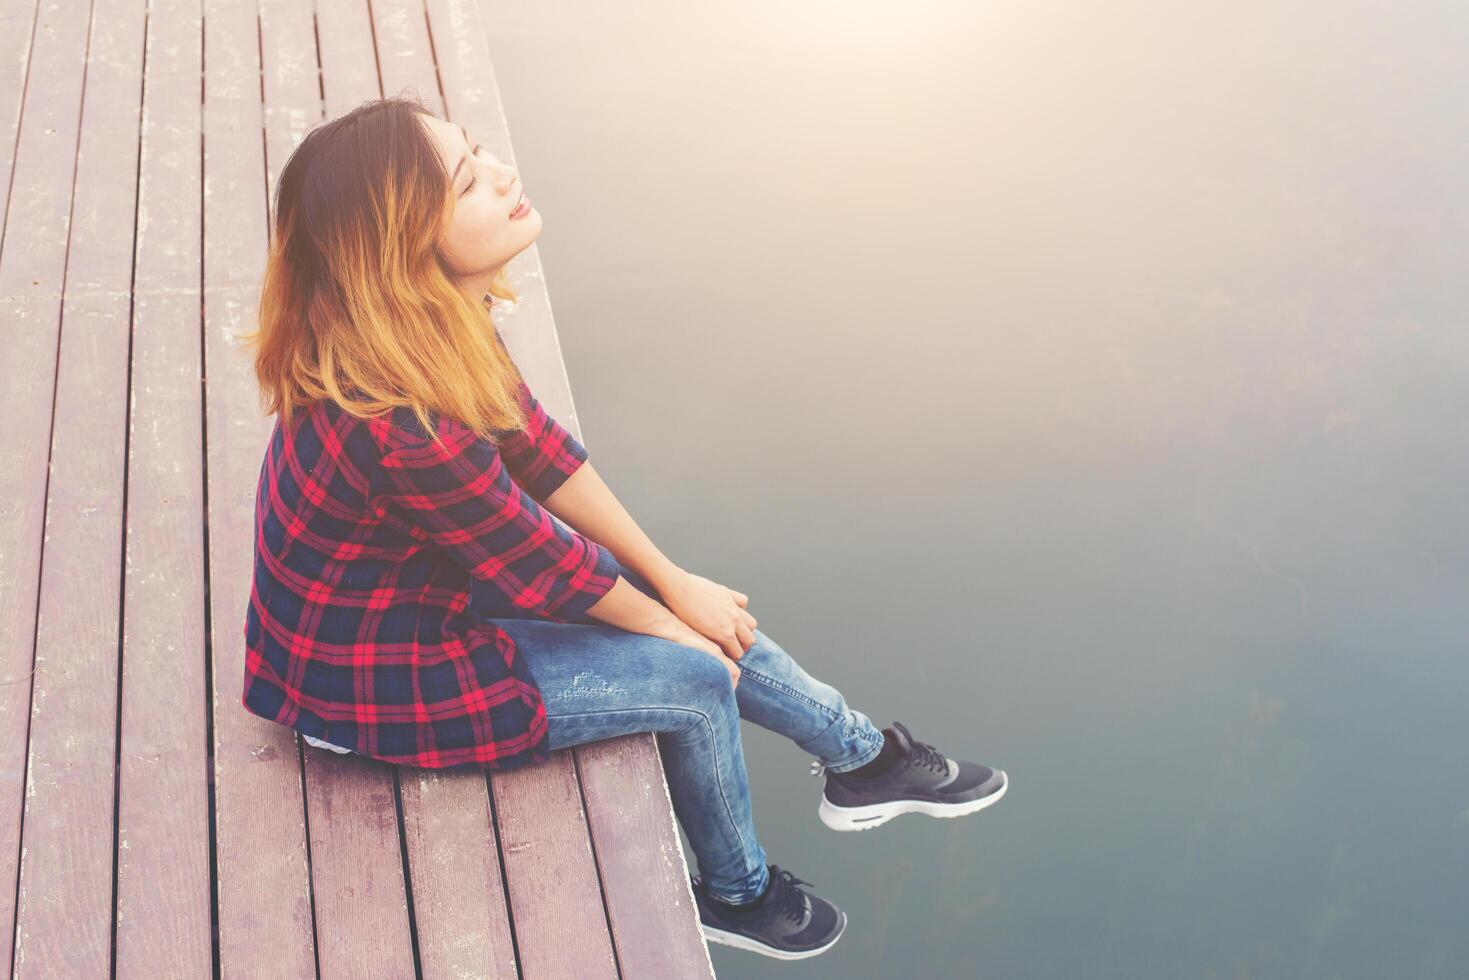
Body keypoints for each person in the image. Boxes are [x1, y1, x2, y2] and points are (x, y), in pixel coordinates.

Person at [237, 94, 1009, 961]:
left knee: (682, 610)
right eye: (466, 182)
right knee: (692, 678)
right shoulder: (399, 422)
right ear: (404, 243)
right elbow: (546, 569)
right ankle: (738, 893)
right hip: (362, 686)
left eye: (480, 151)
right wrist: (682, 632)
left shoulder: (425, 325)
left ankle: (859, 760)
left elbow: (538, 452)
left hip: (399, 619)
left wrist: (672, 579)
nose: (502, 173)